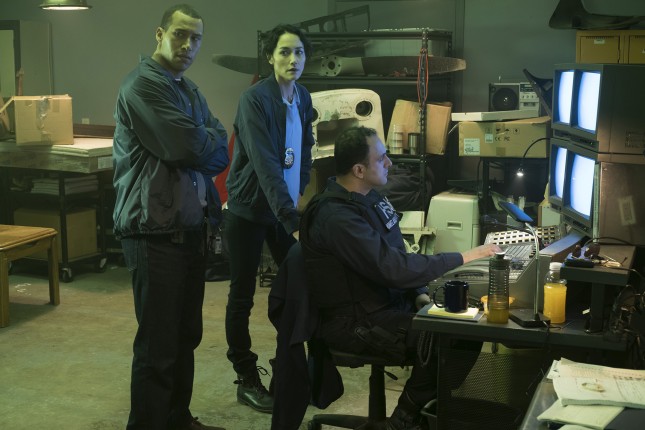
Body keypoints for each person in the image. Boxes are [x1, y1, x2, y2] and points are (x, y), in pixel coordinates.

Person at [299, 126, 500, 430]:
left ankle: (423, 411)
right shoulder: (337, 218)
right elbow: (393, 267)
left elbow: (397, 252)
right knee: (448, 336)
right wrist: (464, 257)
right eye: (381, 158)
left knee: (466, 317)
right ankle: (404, 419)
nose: (389, 163)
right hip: (356, 323)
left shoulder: (366, 197)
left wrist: (419, 293)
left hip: (383, 306)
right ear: (359, 170)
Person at [112, 4, 229, 430]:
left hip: (188, 229)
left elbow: (220, 148)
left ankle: (177, 419)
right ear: (160, 34)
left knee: (185, 337)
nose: (188, 45)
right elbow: (186, 146)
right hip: (153, 232)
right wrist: (202, 141)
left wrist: (203, 141)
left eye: (196, 38)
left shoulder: (188, 90)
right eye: (180, 34)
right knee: (158, 346)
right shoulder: (142, 85)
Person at [223, 23, 315, 413]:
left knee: (300, 288)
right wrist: (291, 218)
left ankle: (290, 370)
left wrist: (300, 189)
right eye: (284, 52)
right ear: (270, 57)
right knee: (242, 296)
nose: (293, 60)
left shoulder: (303, 97)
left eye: (299, 52)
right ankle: (246, 377)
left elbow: (306, 149)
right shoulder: (254, 100)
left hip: (283, 210)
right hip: (247, 211)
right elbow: (264, 164)